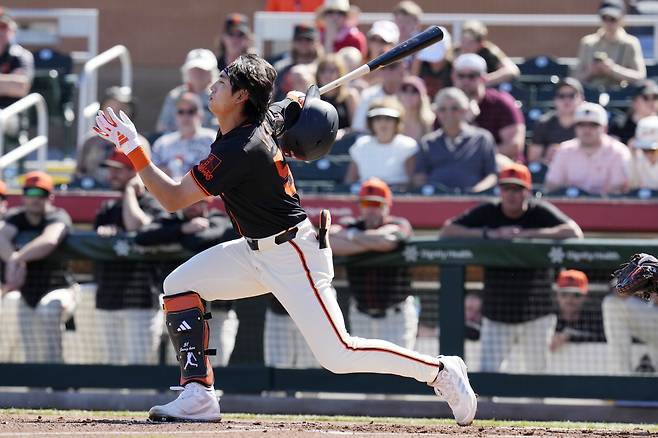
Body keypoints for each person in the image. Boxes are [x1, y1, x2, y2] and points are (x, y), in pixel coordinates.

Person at [93, 53, 476, 425]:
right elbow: (286, 109)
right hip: (253, 250)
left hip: (294, 254)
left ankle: (440, 371)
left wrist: (135, 149)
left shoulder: (240, 148)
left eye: (223, 82)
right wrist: (298, 100)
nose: (213, 86)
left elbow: (174, 198)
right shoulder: (262, 120)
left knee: (339, 355)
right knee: (178, 286)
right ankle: (198, 394)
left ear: (242, 97)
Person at [441, 164, 583, 373]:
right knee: (488, 375)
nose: (511, 194)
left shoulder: (539, 211)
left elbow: (574, 231)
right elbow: (447, 231)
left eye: (517, 189)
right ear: (500, 190)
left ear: (527, 191)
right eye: (507, 188)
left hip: (537, 312)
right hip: (497, 313)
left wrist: (529, 234)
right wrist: (490, 234)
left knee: (538, 377)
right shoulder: (489, 210)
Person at [135, 199, 240, 367]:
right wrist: (182, 229)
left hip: (218, 309)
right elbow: (141, 237)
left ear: (207, 202)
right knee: (181, 365)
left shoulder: (218, 219)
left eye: (197, 202)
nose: (192, 206)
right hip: (181, 310)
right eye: (187, 201)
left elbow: (197, 241)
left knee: (216, 366)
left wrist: (177, 237)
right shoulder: (171, 221)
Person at [93, 151, 167, 365]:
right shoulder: (107, 209)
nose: (111, 175)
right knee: (111, 365)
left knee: (140, 366)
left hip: (142, 300)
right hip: (109, 298)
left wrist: (129, 192)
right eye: (110, 170)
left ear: (134, 173)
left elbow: (136, 225)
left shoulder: (154, 203)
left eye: (118, 170)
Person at [331, 178, 418, 350]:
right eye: (366, 204)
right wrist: (370, 243)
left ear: (387, 206)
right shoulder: (351, 224)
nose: (371, 210)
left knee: (399, 372)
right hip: (361, 315)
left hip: (396, 316)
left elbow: (387, 240)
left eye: (377, 205)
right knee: (365, 372)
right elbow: (330, 239)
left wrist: (351, 237)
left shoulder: (399, 223)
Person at [0, 171, 77, 363]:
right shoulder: (15, 217)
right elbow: (1, 236)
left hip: (60, 288)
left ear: (49, 196)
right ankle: (36, 391)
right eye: (30, 193)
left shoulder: (57, 215)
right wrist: (13, 259)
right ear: (23, 195)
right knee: (32, 350)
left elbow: (49, 240)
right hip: (28, 293)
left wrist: (17, 258)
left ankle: (58, 384)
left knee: (49, 310)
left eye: (40, 194)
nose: (35, 199)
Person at [412, 87, 497, 193]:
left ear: (464, 110)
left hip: (474, 203)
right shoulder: (427, 142)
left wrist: (475, 192)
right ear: (437, 113)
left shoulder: (482, 139)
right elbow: (419, 176)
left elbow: (492, 175)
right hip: (436, 204)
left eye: (454, 108)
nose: (449, 113)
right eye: (443, 109)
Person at [545, 102, 631, 195]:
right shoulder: (564, 150)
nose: (587, 130)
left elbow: (617, 190)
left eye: (593, 125)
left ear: (605, 128)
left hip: (607, 208)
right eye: (581, 124)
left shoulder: (618, 152)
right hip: (571, 206)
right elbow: (552, 186)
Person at [452, 54, 525, 161]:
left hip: (499, 166)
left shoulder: (501, 103)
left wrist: (473, 154)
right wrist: (464, 122)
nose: (466, 81)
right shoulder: (447, 105)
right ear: (453, 77)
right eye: (461, 76)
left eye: (472, 76)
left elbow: (513, 147)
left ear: (483, 78)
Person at [75, 87, 151, 189]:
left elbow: (146, 176)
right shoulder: (90, 141)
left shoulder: (139, 142)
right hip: (93, 193)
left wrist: (134, 185)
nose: (115, 114)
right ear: (102, 111)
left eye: (122, 109)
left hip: (126, 195)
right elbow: (79, 173)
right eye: (110, 109)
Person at [345, 97, 418, 188]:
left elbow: (413, 182)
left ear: (397, 122)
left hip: (398, 198)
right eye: (378, 118)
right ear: (371, 122)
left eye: (388, 118)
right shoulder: (360, 145)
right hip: (367, 198)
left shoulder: (408, 146)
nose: (383, 123)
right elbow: (350, 181)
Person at [574, 0, 646, 89]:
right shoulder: (588, 42)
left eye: (613, 19)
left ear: (622, 18)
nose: (608, 23)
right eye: (604, 18)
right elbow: (574, 79)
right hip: (591, 94)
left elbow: (640, 77)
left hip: (620, 95)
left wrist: (613, 69)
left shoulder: (631, 43)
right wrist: (591, 72)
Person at [152, 92, 216, 181]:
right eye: (181, 111)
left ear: (200, 115)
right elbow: (152, 174)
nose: (185, 116)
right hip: (169, 191)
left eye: (191, 111)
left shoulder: (212, 139)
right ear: (175, 115)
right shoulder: (162, 143)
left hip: (204, 192)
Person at [157, 49, 219, 134]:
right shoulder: (175, 96)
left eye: (202, 70)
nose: (198, 74)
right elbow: (162, 127)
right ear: (186, 72)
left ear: (212, 73)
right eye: (194, 70)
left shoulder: (219, 97)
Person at [528, 78, 584, 165]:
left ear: (581, 99)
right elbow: (533, 159)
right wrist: (548, 158)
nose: (566, 100)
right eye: (561, 96)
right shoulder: (543, 123)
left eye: (571, 95)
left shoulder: (589, 124)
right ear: (555, 100)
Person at [549, 270, 605, 353]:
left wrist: (570, 334)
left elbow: (604, 338)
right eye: (564, 294)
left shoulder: (595, 320)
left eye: (576, 295)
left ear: (585, 297)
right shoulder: (549, 318)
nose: (569, 299)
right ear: (557, 295)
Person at [454, 20, 520, 87]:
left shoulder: (489, 51)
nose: (465, 46)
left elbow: (512, 70)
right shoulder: (455, 51)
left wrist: (483, 81)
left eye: (470, 43)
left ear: (480, 43)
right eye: (463, 41)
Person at [351, 60, 406, 132]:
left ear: (402, 69)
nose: (387, 71)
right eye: (383, 68)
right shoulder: (368, 95)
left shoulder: (412, 93)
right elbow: (359, 127)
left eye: (392, 66)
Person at [272, 23, 323, 101]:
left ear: (316, 43)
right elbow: (272, 94)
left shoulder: (323, 67)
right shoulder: (281, 67)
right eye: (299, 40)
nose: (304, 43)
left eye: (308, 40)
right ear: (293, 42)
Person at [0, 10, 33, 109]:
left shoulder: (20, 55)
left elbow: (20, 86)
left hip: (10, 113)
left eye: (3, 27)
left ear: (11, 31)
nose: (0, 32)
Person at [316, 54, 359, 131]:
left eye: (332, 70)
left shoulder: (349, 96)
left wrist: (342, 133)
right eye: (323, 70)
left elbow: (356, 127)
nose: (327, 75)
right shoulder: (313, 98)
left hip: (344, 141)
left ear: (340, 73)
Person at [609, 79, 658, 145]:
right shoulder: (619, 126)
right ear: (634, 101)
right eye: (646, 97)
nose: (651, 102)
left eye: (655, 97)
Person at [411, 28, 453, 100]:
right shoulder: (421, 63)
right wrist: (417, 61)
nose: (434, 62)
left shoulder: (452, 68)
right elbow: (413, 84)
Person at [398, 76, 436, 143]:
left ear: (422, 97)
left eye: (414, 91)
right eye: (404, 90)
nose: (408, 95)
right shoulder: (394, 121)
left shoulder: (430, 122)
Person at [629, 115, 658, 189]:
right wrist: (633, 157)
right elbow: (633, 186)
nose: (648, 154)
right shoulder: (637, 156)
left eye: (652, 150)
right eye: (644, 149)